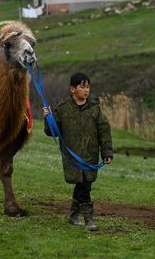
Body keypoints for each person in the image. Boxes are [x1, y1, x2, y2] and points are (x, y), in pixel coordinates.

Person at [43, 72, 113, 231]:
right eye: (82, 87)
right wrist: (49, 119)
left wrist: (107, 152)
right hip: (72, 157)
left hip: (90, 155)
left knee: (84, 184)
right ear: (72, 89)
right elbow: (52, 132)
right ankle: (89, 220)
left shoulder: (95, 108)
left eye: (88, 87)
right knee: (83, 186)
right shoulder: (62, 109)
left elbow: (104, 131)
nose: (86, 90)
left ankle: (73, 215)